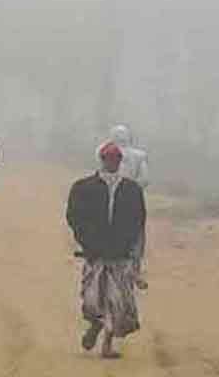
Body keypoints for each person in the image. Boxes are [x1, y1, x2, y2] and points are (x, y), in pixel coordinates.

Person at [67, 142, 146, 358]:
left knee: (117, 302)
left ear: (120, 161)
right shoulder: (83, 188)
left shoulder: (132, 190)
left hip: (120, 255)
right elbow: (74, 217)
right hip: (95, 254)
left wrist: (131, 249)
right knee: (92, 299)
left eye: (116, 159)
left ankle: (107, 344)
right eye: (109, 158)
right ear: (102, 160)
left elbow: (138, 221)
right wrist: (86, 240)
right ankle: (95, 325)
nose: (113, 162)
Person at [97, 125, 150, 288]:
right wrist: (131, 190)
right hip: (132, 203)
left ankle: (102, 267)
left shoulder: (103, 151)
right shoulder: (139, 156)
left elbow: (100, 174)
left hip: (106, 200)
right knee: (136, 236)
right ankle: (135, 271)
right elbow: (144, 180)